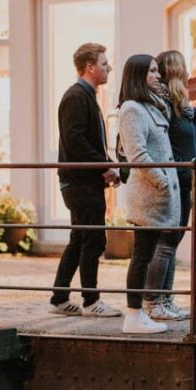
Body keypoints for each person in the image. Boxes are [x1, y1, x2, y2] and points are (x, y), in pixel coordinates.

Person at [50, 43, 122, 318]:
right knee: (93, 239)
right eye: (104, 64)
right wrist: (104, 166)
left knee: (80, 239)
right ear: (89, 67)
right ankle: (91, 301)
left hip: (81, 180)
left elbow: (82, 140)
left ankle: (59, 297)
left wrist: (104, 165)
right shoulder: (76, 97)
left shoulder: (83, 96)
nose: (109, 68)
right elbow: (75, 139)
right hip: (80, 182)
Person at [118, 54, 181, 334]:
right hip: (148, 195)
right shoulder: (132, 109)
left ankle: (138, 314)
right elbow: (137, 154)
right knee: (141, 256)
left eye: (157, 70)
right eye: (152, 71)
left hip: (158, 195)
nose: (158, 76)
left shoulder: (151, 106)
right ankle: (133, 315)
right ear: (138, 75)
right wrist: (162, 180)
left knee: (145, 254)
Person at [140, 51, 196, 322]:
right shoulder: (163, 105)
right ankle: (153, 301)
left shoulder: (180, 106)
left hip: (184, 180)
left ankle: (165, 299)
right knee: (165, 242)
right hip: (172, 180)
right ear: (176, 71)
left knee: (171, 242)